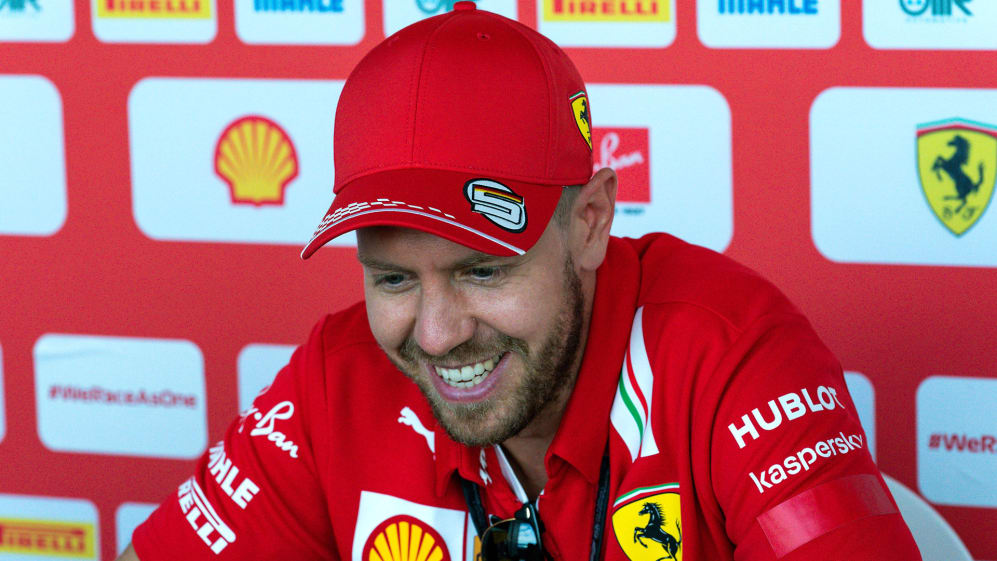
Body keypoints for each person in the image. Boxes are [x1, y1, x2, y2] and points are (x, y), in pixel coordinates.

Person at [118, 3, 922, 560]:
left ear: (590, 222)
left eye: (482, 269)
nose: (437, 333)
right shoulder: (339, 375)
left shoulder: (730, 354)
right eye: (393, 279)